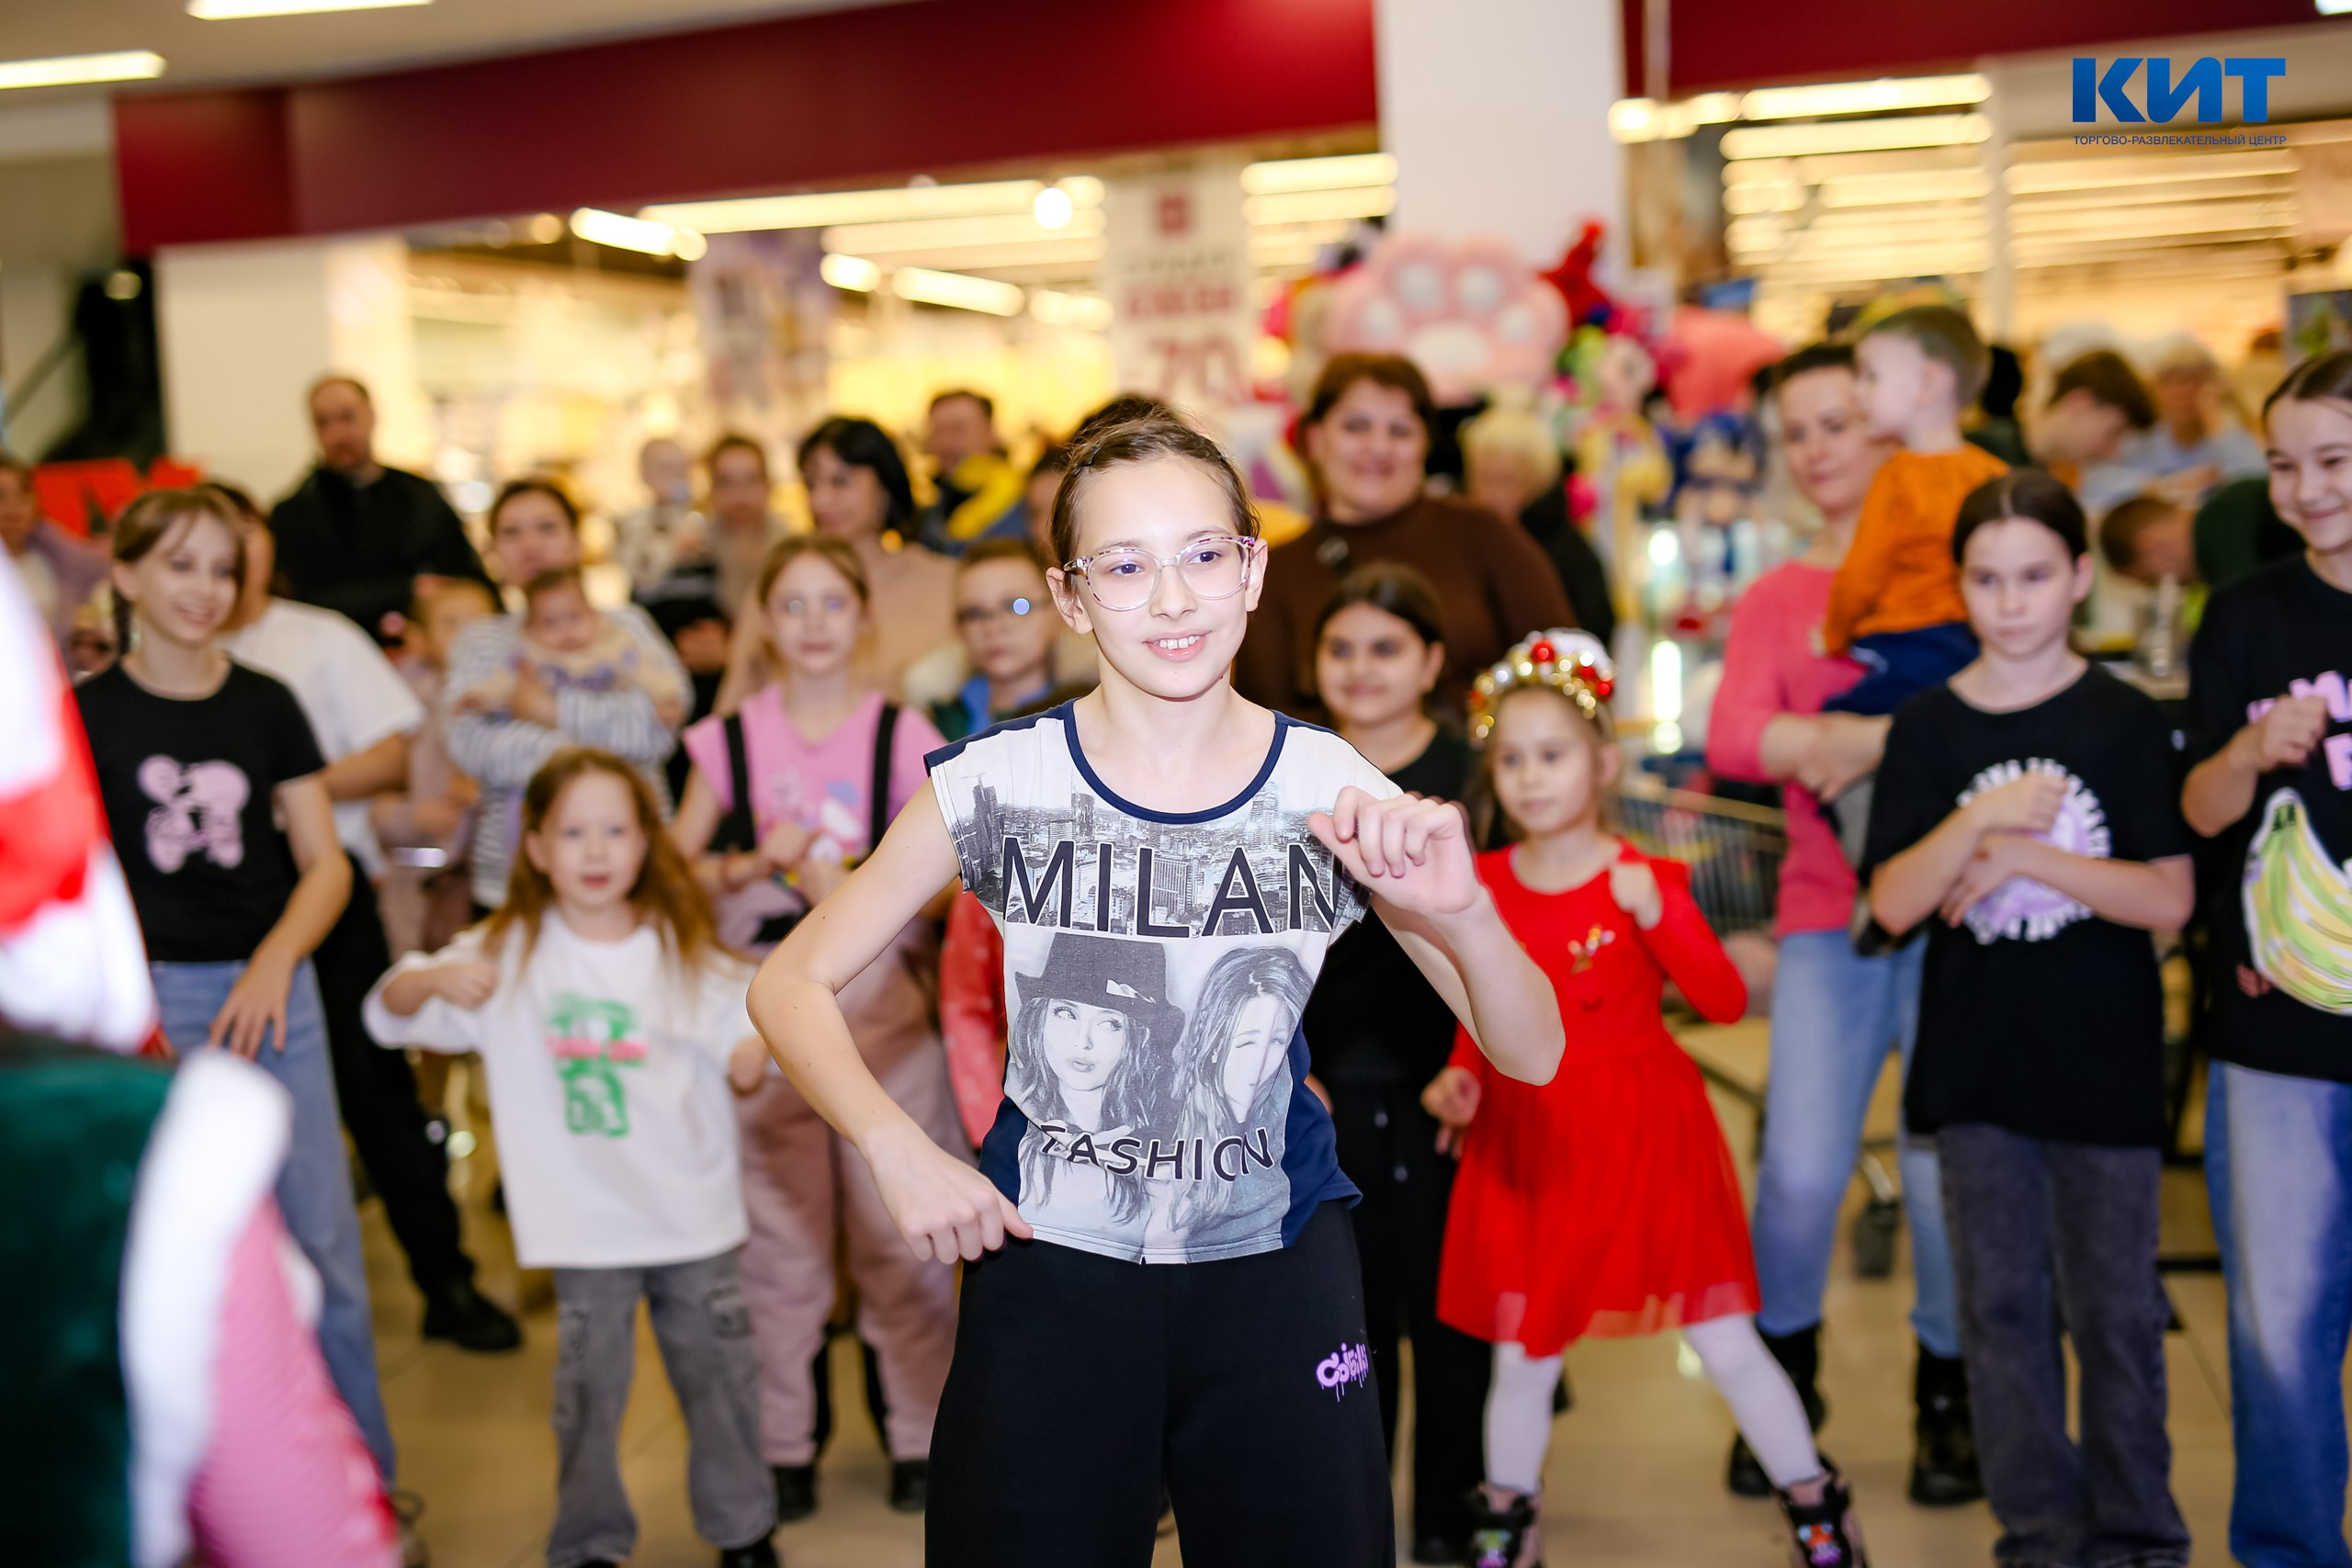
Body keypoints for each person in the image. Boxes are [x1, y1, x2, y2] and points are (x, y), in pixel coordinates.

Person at [745, 409, 1565, 1568]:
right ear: (1071, 597)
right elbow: (790, 983)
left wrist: (1467, 909)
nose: (1171, 599)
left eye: (1202, 555)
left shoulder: (1326, 787)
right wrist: (892, 1144)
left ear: (1252, 569)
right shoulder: (1002, 781)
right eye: (1124, 566)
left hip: (1275, 1275)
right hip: (1048, 1271)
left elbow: (1528, 1050)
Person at [1426, 630, 1866, 1568]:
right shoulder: (1487, 888)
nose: (1531, 779)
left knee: (1724, 1338)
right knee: (1523, 1350)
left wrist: (1658, 912)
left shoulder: (1645, 878)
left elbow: (1722, 1000)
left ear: (1604, 762)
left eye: (1553, 756)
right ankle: (1508, 1518)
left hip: (1642, 1131)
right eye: (1511, 759)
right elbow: (1483, 1011)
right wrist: (1464, 1073)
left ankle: (1815, 1506)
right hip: (1532, 1138)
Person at [1865, 471, 2194, 1568]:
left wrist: (2026, 857)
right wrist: (1976, 820)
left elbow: (2166, 897)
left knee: (2115, 1316)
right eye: (1987, 579)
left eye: (2036, 576)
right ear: (1959, 588)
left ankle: (2138, 1535)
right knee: (2000, 1315)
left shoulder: (2124, 720)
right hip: (1975, 1076)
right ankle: (2042, 1537)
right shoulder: (1926, 729)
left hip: (2102, 1068)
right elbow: (1892, 901)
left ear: (2081, 577)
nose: (2010, 602)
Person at [365, 750, 779, 1568]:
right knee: (587, 1397)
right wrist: (434, 980)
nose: (596, 851)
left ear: (646, 844)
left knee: (720, 1383)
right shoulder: (506, 951)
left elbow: (751, 1015)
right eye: (575, 832)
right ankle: (589, 1542)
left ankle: (743, 1531)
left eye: (617, 831)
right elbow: (388, 1013)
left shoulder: (679, 945)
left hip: (692, 1219)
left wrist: (752, 1049)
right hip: (583, 1226)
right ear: (538, 847)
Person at [73, 488, 398, 1501]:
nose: (205, 589)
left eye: (222, 569)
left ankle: (366, 1501)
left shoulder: (266, 702)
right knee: (173, 1264)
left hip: (277, 993)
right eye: (179, 565)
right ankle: (215, 1511)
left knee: (326, 1256)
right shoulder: (82, 715)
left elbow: (325, 864)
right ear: (123, 576)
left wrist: (272, 963)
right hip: (149, 1007)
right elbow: (73, 881)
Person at [1705, 343, 1977, 1505]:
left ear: (1882, 422)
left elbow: (1982, 708)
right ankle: (1787, 1379)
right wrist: (1857, 739)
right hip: (1827, 911)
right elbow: (1729, 740)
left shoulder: (1954, 565)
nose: (1819, 449)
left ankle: (1948, 1393)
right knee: (1803, 1172)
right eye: (1796, 432)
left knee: (1939, 1171)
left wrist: (1839, 741)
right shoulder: (1777, 597)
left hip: (1966, 907)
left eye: (1837, 421)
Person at [672, 535, 962, 1522]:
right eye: (788, 605)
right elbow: (673, 871)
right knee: (777, 1248)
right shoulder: (730, 738)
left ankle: (923, 1434)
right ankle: (783, 1443)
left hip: (882, 1009)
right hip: (762, 1009)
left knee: (902, 1233)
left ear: (862, 617)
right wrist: (745, 867)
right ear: (764, 621)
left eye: (829, 604)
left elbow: (943, 895)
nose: (810, 625)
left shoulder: (901, 730)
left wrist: (857, 892)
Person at [217, 489, 520, 1355]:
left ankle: (446, 1277)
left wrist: (282, 785)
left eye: (238, 541)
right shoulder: (163, 651)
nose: (219, 567)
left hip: (327, 886)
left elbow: (393, 750)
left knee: (377, 1088)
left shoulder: (316, 639)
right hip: (216, 907)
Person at [2182, 350, 2352, 1568]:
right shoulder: (2243, 616)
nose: (2307, 489)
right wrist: (2246, 750)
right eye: (2284, 464)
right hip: (2276, 1026)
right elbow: (2194, 809)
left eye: (2334, 460)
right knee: (2279, 1325)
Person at [1300, 563, 1492, 1562]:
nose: (1362, 670)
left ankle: (1452, 1520)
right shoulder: (1293, 773)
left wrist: (1476, 1066)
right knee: (1351, 1324)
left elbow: (1501, 945)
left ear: (1429, 660)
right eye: (1342, 649)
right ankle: (1355, 1518)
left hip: (1448, 1085)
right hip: (1323, 1088)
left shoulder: (1472, 778)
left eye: (1386, 648)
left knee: (1452, 1313)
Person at [1235, 354, 1573, 719]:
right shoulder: (1274, 574)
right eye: (1356, 427)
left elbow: (1564, 669)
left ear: (1425, 444)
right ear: (1315, 440)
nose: (1378, 447)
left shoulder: (1484, 535)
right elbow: (1260, 725)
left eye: (1400, 431)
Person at [446, 479, 687, 913]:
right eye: (512, 533)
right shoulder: (481, 640)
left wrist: (544, 709)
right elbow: (474, 747)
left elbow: (658, 729)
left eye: (546, 528)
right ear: (493, 552)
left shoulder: (625, 625)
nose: (530, 545)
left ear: (577, 541)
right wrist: (592, 751)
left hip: (633, 866)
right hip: (513, 875)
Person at [1821, 306, 2010, 716]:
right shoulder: (1994, 473)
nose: (1857, 393)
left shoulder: (1897, 479)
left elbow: (1862, 574)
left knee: (1837, 716)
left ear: (1926, 383)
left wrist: (1832, 634)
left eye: (1870, 376)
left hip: (1909, 644)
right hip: (1985, 646)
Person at [267, 376, 493, 646]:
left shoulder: (421, 497)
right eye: (323, 422)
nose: (337, 434)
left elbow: (467, 579)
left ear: (371, 416)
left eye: (347, 417)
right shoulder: (293, 513)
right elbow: (297, 603)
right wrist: (407, 590)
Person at [375, 578, 497, 959]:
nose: (467, 637)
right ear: (421, 638)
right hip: (419, 873)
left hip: (493, 875)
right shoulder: (403, 706)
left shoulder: (516, 702)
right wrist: (413, 817)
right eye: (451, 623)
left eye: (481, 624)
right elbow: (373, 804)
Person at [797, 416, 958, 699]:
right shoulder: (787, 586)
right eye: (811, 485)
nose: (820, 501)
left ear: (885, 486)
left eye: (840, 482)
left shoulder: (946, 580)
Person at [1459, 401, 1615, 647]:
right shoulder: (1460, 536)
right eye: (1484, 477)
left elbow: (1591, 640)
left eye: (1508, 480)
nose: (1491, 494)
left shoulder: (1570, 553)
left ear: (1537, 483)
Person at [457, 568, 689, 730]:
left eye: (575, 618)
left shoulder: (616, 645)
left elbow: (651, 671)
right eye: (550, 623)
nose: (565, 631)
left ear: (594, 614)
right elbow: (505, 683)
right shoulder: (531, 656)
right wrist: (481, 697)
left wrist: (667, 698)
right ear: (531, 629)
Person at [2083, 339, 2263, 513]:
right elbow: (2094, 481)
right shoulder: (2140, 440)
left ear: (2218, 388)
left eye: (2198, 380)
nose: (2186, 391)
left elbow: (2257, 484)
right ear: (2155, 390)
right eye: (2174, 381)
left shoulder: (2231, 439)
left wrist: (2216, 424)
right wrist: (2164, 486)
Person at [930, 538, 1080, 742]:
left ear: (1058, 612)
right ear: (958, 629)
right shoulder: (935, 723)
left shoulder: (1086, 715)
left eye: (1016, 606)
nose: (993, 627)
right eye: (974, 613)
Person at [0, 452, 108, 653]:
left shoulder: (57, 556)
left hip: (60, 680)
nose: (13, 506)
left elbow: (110, 565)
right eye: (0, 495)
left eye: (23, 493)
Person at [2025, 350, 2156, 496]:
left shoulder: (2060, 477)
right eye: (2113, 433)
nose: (2113, 454)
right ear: (2080, 401)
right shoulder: (1997, 457)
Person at [915, 389, 1026, 556]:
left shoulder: (1028, 505)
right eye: (937, 431)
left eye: (958, 429)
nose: (945, 443)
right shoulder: (928, 517)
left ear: (990, 432)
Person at [705, 434, 787, 620]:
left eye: (751, 480)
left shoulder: (790, 549)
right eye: (726, 482)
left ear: (768, 484)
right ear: (712, 489)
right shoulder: (695, 551)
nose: (740, 493)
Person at [614, 435, 707, 591]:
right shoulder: (634, 522)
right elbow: (640, 572)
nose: (676, 476)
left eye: (682, 468)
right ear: (644, 474)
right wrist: (673, 548)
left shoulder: (699, 517)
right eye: (665, 468)